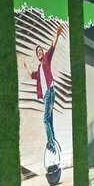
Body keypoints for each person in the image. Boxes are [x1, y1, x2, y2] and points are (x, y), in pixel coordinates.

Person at [24, 24, 63, 154]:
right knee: (49, 121)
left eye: (40, 50)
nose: (39, 52)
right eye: (38, 52)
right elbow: (32, 75)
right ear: (37, 55)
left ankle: (51, 145)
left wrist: (57, 35)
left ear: (42, 52)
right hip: (47, 95)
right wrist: (26, 67)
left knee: (45, 120)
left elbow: (52, 48)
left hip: (50, 92)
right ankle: (54, 146)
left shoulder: (46, 58)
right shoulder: (39, 68)